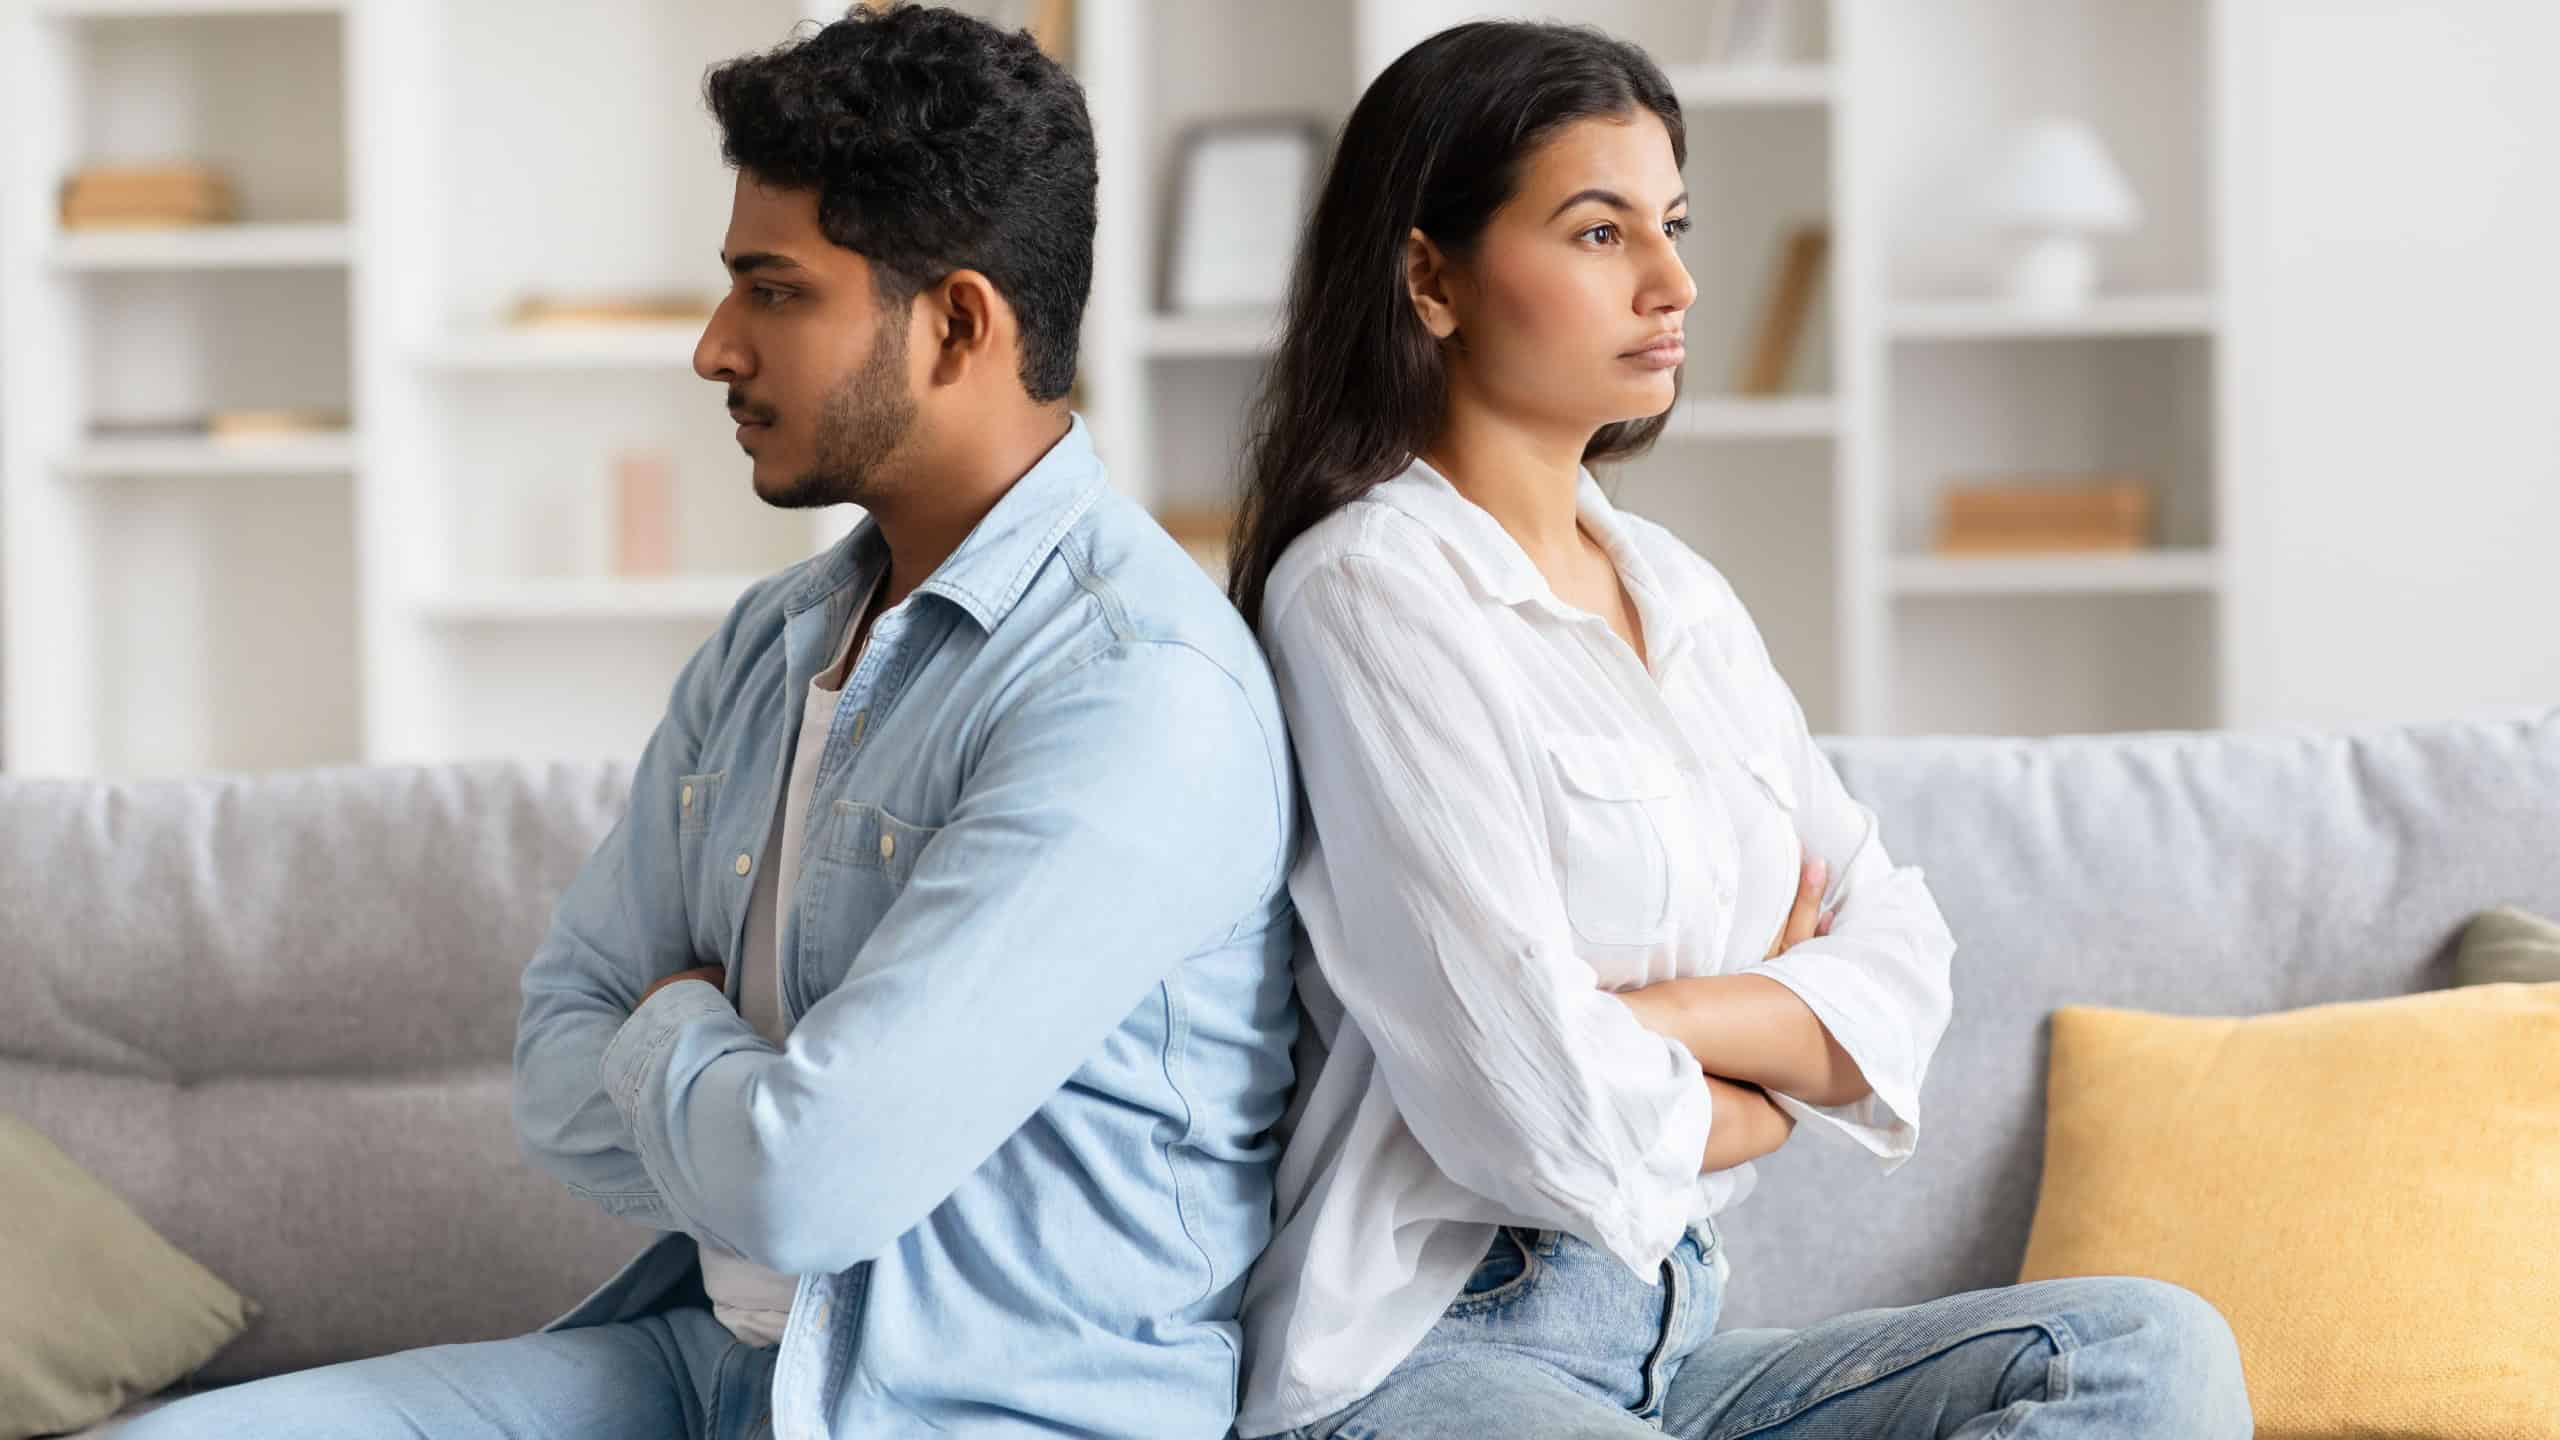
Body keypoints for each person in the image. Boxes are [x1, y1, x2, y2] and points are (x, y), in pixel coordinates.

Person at [127, 7, 1297, 1437]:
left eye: (774, 290)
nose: (712, 347)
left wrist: (674, 1012)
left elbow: (810, 1186)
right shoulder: (771, 641)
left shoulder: (1137, 693)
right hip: (702, 1367)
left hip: (967, 1414)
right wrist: (743, 1110)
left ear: (960, 324)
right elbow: (553, 1067)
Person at [1225, 20, 2252, 1439]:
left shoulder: (1680, 594)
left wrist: (1652, 1022)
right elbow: (1539, 1123)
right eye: (1599, 233)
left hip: (1679, 1344)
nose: (1674, 281)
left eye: (1675, 224)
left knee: (2145, 1347)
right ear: (1429, 277)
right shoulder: (1367, 592)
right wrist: (1773, 1076)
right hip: (1434, 1354)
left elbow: (1905, 966)